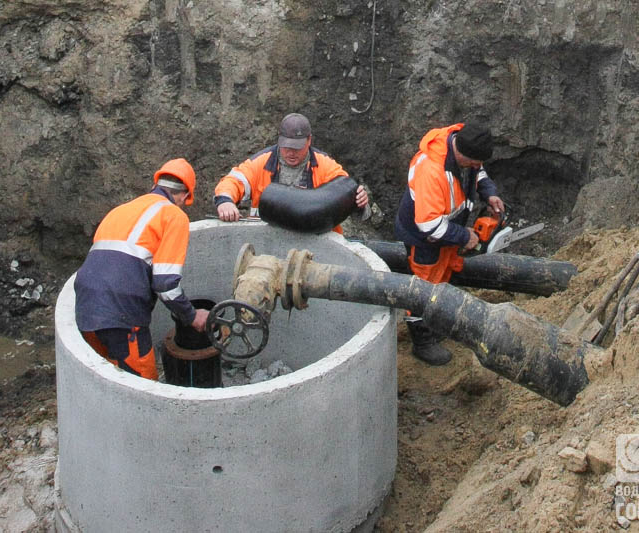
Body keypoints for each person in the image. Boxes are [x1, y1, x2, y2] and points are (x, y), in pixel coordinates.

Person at [74, 158, 210, 380]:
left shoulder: (121, 210)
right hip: (121, 312)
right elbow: (165, 285)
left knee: (107, 378)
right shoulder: (173, 215)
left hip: (86, 306)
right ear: (185, 196)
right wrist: (192, 316)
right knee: (142, 385)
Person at [395, 123, 504, 366]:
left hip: (446, 232)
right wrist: (466, 237)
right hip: (423, 238)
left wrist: (489, 192)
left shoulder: (464, 147)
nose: (477, 167)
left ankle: (435, 322)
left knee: (443, 278)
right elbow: (429, 226)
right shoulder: (431, 171)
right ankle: (422, 342)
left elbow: (479, 173)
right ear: (462, 154)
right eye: (474, 162)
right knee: (423, 288)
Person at [214, 113, 369, 232]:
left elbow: (346, 190)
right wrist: (225, 201)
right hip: (267, 238)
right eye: (286, 147)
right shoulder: (262, 162)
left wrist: (359, 201)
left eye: (297, 147)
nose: (291, 153)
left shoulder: (325, 166)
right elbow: (234, 180)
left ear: (309, 141)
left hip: (315, 242)